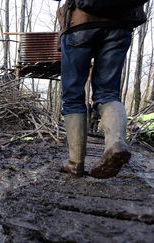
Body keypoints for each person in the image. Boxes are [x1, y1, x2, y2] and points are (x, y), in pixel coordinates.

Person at [56, 0, 147, 178]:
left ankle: (75, 163)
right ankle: (116, 143)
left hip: (80, 22)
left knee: (73, 96)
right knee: (107, 93)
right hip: (121, 24)